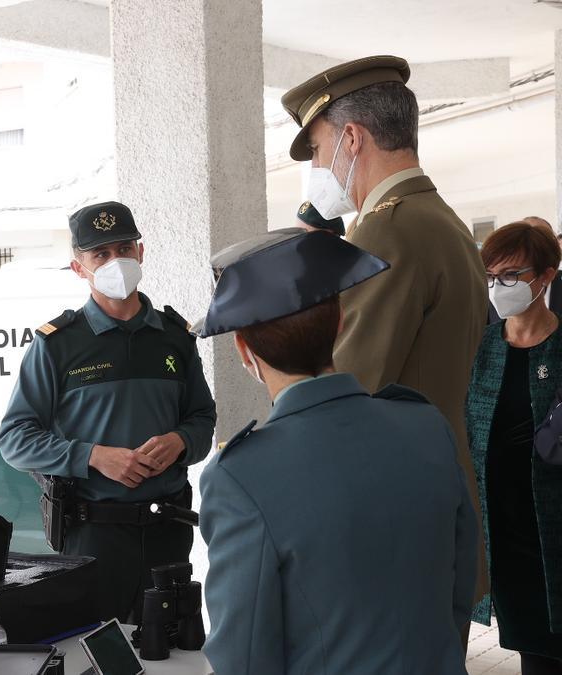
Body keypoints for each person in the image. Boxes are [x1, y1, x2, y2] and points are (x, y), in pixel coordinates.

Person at [195, 228, 477, 675]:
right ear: (341, 321)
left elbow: (243, 658)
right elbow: (461, 591)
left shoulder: (240, 476)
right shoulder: (425, 426)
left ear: (243, 349)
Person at [282, 54, 489, 601]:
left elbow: (348, 386)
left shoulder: (387, 231)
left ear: (351, 138)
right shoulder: (440, 219)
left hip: (393, 507)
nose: (320, 170)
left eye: (321, 151)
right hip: (435, 492)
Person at [0, 200, 216, 622]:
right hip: (92, 536)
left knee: (172, 654)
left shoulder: (175, 338)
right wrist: (93, 456)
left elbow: (203, 420)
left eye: (123, 248)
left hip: (167, 532)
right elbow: (15, 439)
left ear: (141, 252)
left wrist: (181, 441)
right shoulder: (57, 345)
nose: (116, 261)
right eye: (100, 254)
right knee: (98, 657)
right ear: (79, 268)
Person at [467, 221, 562, 674]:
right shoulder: (483, 347)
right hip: (505, 533)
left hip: (554, 529)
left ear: (545, 277)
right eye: (491, 278)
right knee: (532, 652)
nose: (498, 288)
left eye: (511, 277)